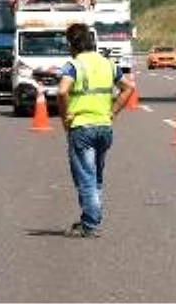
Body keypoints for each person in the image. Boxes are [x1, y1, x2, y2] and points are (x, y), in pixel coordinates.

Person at [57, 23, 134, 238]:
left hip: (82, 128)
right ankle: (89, 217)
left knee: (86, 178)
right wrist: (113, 112)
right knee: (96, 176)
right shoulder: (108, 64)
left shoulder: (74, 65)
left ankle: (90, 222)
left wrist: (65, 118)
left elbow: (62, 91)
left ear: (72, 44)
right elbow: (129, 88)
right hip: (104, 127)